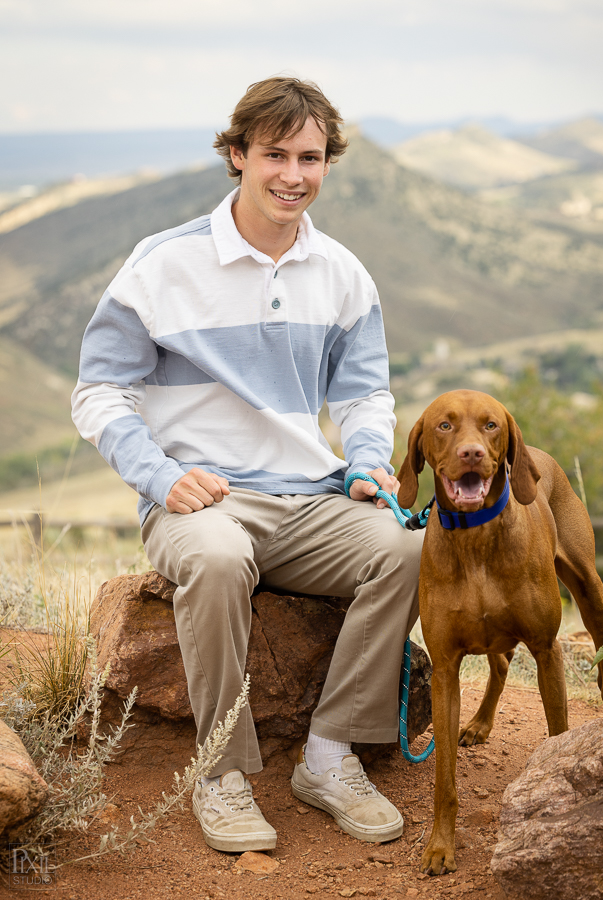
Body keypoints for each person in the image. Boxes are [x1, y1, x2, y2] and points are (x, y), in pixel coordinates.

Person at [71, 76, 423, 853]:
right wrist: (162, 477)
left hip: (311, 498)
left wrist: (366, 462)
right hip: (201, 505)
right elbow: (98, 393)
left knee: (406, 549)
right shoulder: (162, 265)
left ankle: (329, 759)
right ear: (237, 155)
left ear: (328, 161)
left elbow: (366, 394)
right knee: (222, 557)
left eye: (311, 156)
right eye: (274, 154)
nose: (294, 174)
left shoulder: (343, 274)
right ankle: (221, 773)